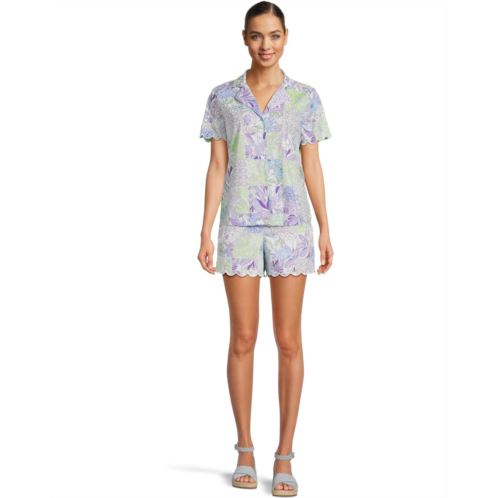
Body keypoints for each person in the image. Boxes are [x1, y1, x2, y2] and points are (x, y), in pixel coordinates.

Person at [197, 2, 334, 496]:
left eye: (274, 35)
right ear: (244, 38)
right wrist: (205, 230)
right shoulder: (223, 97)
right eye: (257, 36)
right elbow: (218, 165)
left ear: (286, 36)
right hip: (238, 226)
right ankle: (245, 449)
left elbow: (312, 165)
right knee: (242, 338)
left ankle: (285, 455)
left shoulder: (305, 98)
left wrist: (325, 227)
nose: (266, 45)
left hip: (291, 228)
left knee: (289, 340)